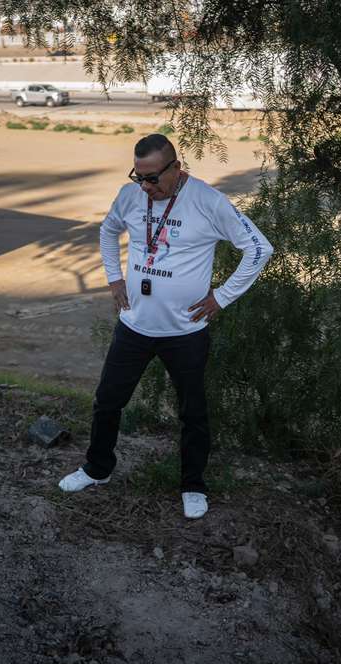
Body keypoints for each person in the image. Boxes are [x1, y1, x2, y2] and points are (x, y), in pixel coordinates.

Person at [58, 134, 273, 519]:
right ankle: (97, 469)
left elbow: (259, 249)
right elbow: (108, 231)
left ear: (176, 168)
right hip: (135, 325)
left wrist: (221, 297)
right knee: (107, 401)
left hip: (185, 332)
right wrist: (113, 278)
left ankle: (193, 486)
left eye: (153, 178)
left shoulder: (208, 201)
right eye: (139, 176)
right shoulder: (130, 196)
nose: (145, 186)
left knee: (192, 413)